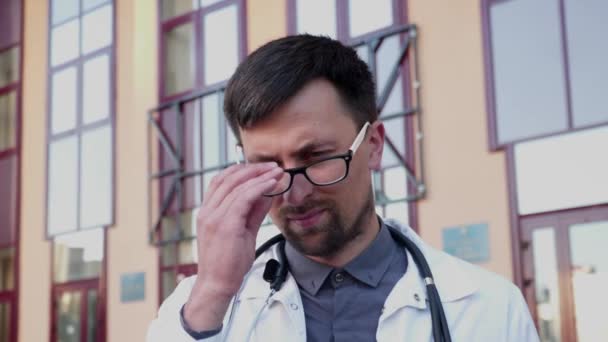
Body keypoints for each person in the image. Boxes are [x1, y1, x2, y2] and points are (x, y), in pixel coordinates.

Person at [147, 34, 539, 342]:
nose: (293, 195)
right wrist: (214, 290)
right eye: (266, 166)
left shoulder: (489, 309)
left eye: (316, 157)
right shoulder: (196, 311)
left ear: (373, 146)